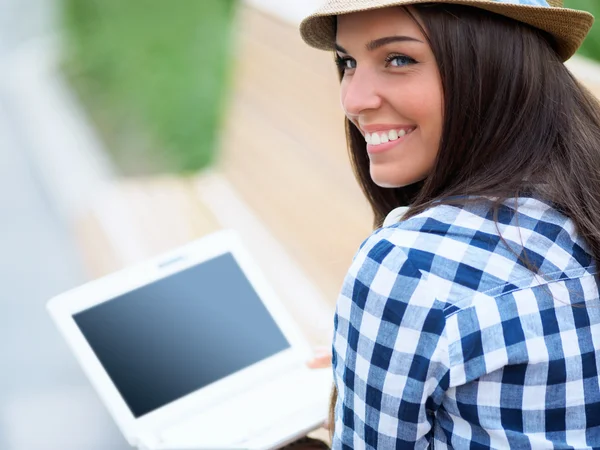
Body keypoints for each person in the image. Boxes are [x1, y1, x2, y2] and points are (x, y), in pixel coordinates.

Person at [296, 0, 600, 448]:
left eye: (399, 59)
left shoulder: (409, 268)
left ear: (495, 68)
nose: (353, 100)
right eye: (347, 62)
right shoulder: (582, 208)